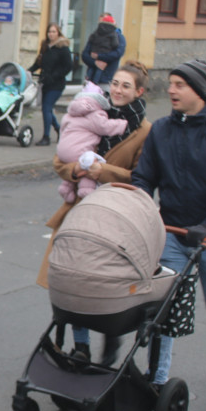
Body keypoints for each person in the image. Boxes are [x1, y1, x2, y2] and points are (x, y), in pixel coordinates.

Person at [132, 58, 206, 390]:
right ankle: (157, 380)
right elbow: (144, 177)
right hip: (171, 233)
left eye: (179, 84)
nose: (170, 90)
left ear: (199, 90)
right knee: (164, 308)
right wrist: (140, 209)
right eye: (170, 83)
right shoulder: (162, 130)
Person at [38, 60, 153, 365]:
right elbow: (62, 157)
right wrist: (76, 170)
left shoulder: (144, 131)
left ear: (139, 92)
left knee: (106, 283)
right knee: (77, 279)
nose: (117, 90)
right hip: (81, 212)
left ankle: (111, 339)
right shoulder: (94, 112)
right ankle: (81, 346)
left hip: (116, 217)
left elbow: (142, 178)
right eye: (114, 83)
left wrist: (104, 171)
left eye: (125, 86)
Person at [54, 81, 126, 203]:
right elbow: (105, 127)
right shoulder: (94, 114)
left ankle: (65, 187)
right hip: (79, 151)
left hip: (62, 150)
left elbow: (62, 129)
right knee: (90, 163)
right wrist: (122, 124)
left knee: (74, 166)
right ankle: (86, 189)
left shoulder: (70, 114)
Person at [29, 22, 74, 146]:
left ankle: (46, 137)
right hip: (45, 82)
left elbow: (68, 66)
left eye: (54, 32)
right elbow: (39, 62)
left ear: (58, 33)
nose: (51, 34)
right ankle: (59, 129)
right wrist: (29, 70)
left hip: (56, 84)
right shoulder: (45, 46)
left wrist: (55, 76)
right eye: (49, 32)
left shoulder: (63, 48)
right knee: (47, 109)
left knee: (46, 108)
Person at [81, 13, 126, 88]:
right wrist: (95, 62)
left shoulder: (118, 37)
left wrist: (99, 56)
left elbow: (118, 53)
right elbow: (85, 55)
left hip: (107, 78)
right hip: (90, 78)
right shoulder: (95, 35)